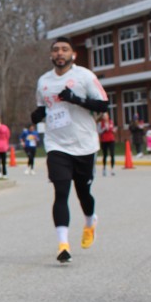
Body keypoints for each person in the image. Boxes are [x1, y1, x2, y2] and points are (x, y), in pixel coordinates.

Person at [31, 36, 109, 263]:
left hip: (84, 144)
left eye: (64, 49)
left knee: (83, 193)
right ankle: (63, 245)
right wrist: (37, 115)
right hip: (56, 145)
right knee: (61, 192)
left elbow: (103, 105)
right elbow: (42, 107)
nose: (60, 53)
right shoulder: (44, 81)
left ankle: (90, 221)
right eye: (56, 49)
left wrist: (76, 99)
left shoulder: (85, 76)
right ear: (51, 55)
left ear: (72, 54)